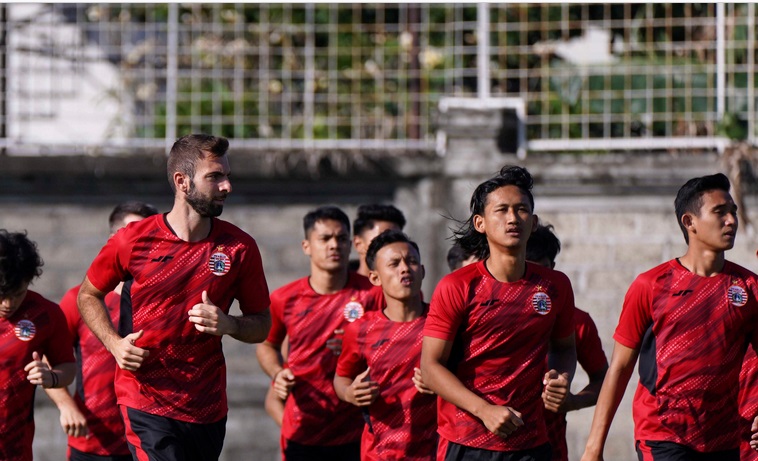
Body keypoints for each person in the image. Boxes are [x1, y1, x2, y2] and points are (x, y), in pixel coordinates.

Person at [77, 134, 271, 461]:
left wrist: (230, 324)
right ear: (182, 182)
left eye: (227, 176)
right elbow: (88, 295)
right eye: (215, 176)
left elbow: (262, 325)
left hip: (207, 407)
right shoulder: (132, 241)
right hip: (145, 399)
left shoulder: (240, 248)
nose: (227, 186)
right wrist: (114, 344)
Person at [581, 172, 758, 461]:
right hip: (663, 434)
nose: (731, 221)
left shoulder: (749, 288)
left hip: (723, 437)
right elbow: (620, 369)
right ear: (689, 222)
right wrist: (593, 448)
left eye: (733, 212)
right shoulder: (651, 285)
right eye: (720, 212)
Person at [421, 165, 577, 461]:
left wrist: (561, 377)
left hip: (531, 440)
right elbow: (430, 368)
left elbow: (565, 348)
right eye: (502, 210)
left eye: (521, 210)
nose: (513, 218)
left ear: (533, 222)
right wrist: (485, 411)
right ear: (480, 223)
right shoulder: (457, 286)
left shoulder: (556, 285)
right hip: (468, 440)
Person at [256, 205, 381, 461]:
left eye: (341, 238)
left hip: (356, 432)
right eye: (325, 238)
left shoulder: (373, 295)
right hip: (303, 430)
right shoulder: (284, 299)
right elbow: (267, 345)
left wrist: (358, 347)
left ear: (350, 245)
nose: (334, 245)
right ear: (306, 246)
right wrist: (278, 373)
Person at [46, 201, 158, 461]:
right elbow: (48, 357)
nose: (145, 245)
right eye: (136, 235)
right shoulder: (80, 300)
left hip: (148, 440)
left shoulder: (162, 303)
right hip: (92, 442)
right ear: (114, 240)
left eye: (151, 238)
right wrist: (66, 405)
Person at [335, 229, 437, 461]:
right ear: (375, 278)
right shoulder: (361, 329)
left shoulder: (444, 322)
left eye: (411, 262)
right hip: (380, 452)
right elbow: (341, 378)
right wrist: (350, 393)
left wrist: (441, 382)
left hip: (436, 450)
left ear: (422, 271)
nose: (405, 268)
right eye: (394, 264)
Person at [526, 224, 608, 461]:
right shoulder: (485, 313)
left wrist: (572, 402)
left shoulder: (577, 322)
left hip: (549, 447)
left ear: (552, 269)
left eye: (541, 272)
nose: (533, 284)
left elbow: (604, 381)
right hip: (487, 445)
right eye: (527, 272)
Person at [0, 229, 76, 461]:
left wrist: (50, 377)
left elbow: (67, 367)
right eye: (2, 294)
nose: (8, 303)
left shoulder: (45, 314)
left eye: (18, 293)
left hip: (14, 447)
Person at [351, 204, 407, 276]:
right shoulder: (339, 282)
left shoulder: (409, 281)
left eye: (397, 239)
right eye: (383, 239)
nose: (392, 246)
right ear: (358, 244)